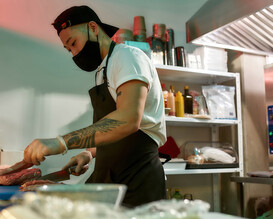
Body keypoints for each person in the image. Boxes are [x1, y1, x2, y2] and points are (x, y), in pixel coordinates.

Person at [23, 5, 167, 207]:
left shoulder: (127, 57)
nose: (74, 53)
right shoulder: (102, 71)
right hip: (109, 176)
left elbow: (127, 119)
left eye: (73, 43)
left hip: (138, 178)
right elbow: (110, 125)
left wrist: (61, 142)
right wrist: (88, 152)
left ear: (93, 27)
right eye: (68, 49)